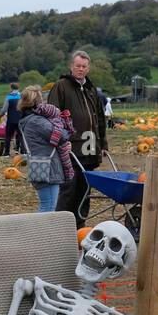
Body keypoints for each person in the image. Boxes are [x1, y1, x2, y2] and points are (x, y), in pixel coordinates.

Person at [48, 50, 109, 228]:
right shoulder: (61, 86)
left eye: (84, 66)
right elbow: (53, 115)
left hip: (89, 147)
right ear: (71, 67)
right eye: (78, 66)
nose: (81, 69)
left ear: (88, 68)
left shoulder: (91, 89)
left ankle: (79, 225)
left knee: (85, 190)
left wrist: (103, 143)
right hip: (70, 148)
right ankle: (60, 228)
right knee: (69, 189)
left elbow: (99, 118)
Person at [16, 85, 76, 213]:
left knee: (47, 205)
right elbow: (61, 135)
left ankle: (41, 232)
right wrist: (66, 126)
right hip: (47, 167)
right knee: (48, 207)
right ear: (37, 101)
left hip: (40, 165)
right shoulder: (37, 121)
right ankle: (40, 232)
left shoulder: (27, 119)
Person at [0, 82, 22, 156]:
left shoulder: (8, 97)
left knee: (8, 136)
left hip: (11, 120)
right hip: (20, 120)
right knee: (20, 135)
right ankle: (20, 151)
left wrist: (0, 115)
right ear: (18, 88)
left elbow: (4, 109)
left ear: (11, 88)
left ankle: (7, 153)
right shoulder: (21, 96)